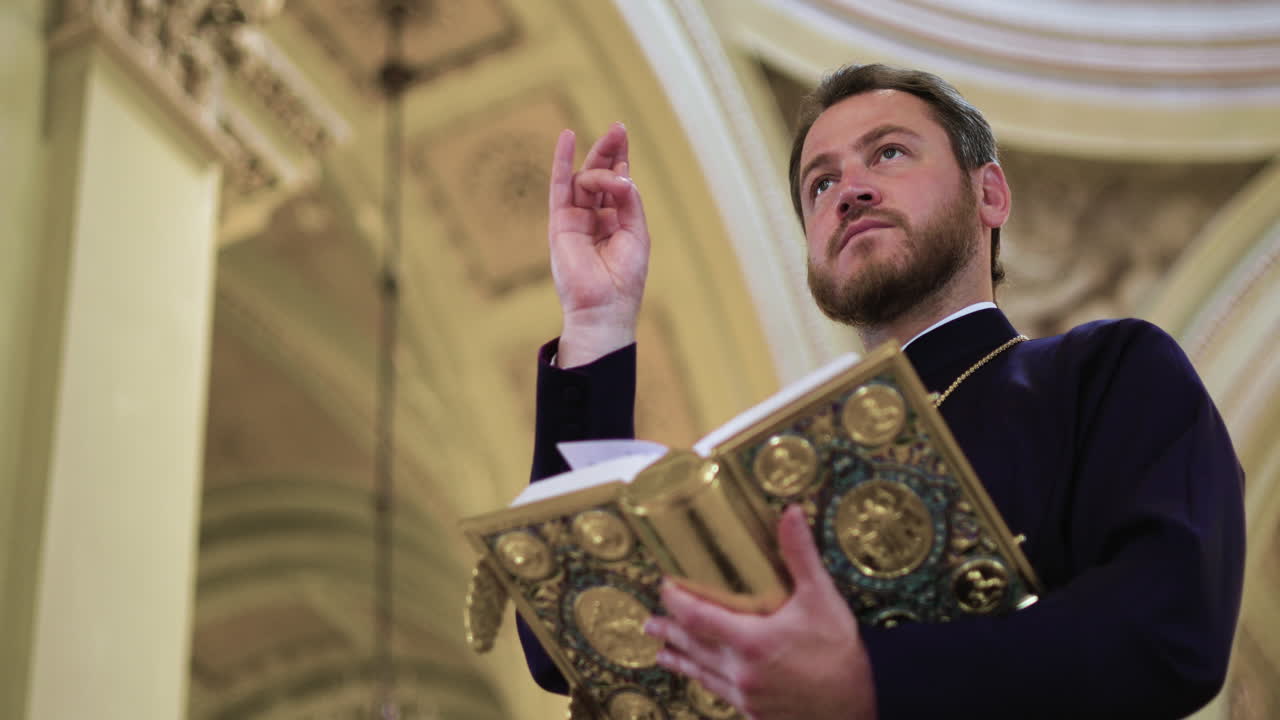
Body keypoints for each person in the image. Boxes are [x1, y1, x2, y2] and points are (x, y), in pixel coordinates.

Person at [518, 64, 1245, 719]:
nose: (850, 190)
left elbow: (1170, 626)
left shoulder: (1104, 370)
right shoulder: (767, 463)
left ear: (989, 193)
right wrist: (597, 320)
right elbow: (567, 637)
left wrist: (869, 679)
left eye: (889, 153)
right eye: (820, 184)